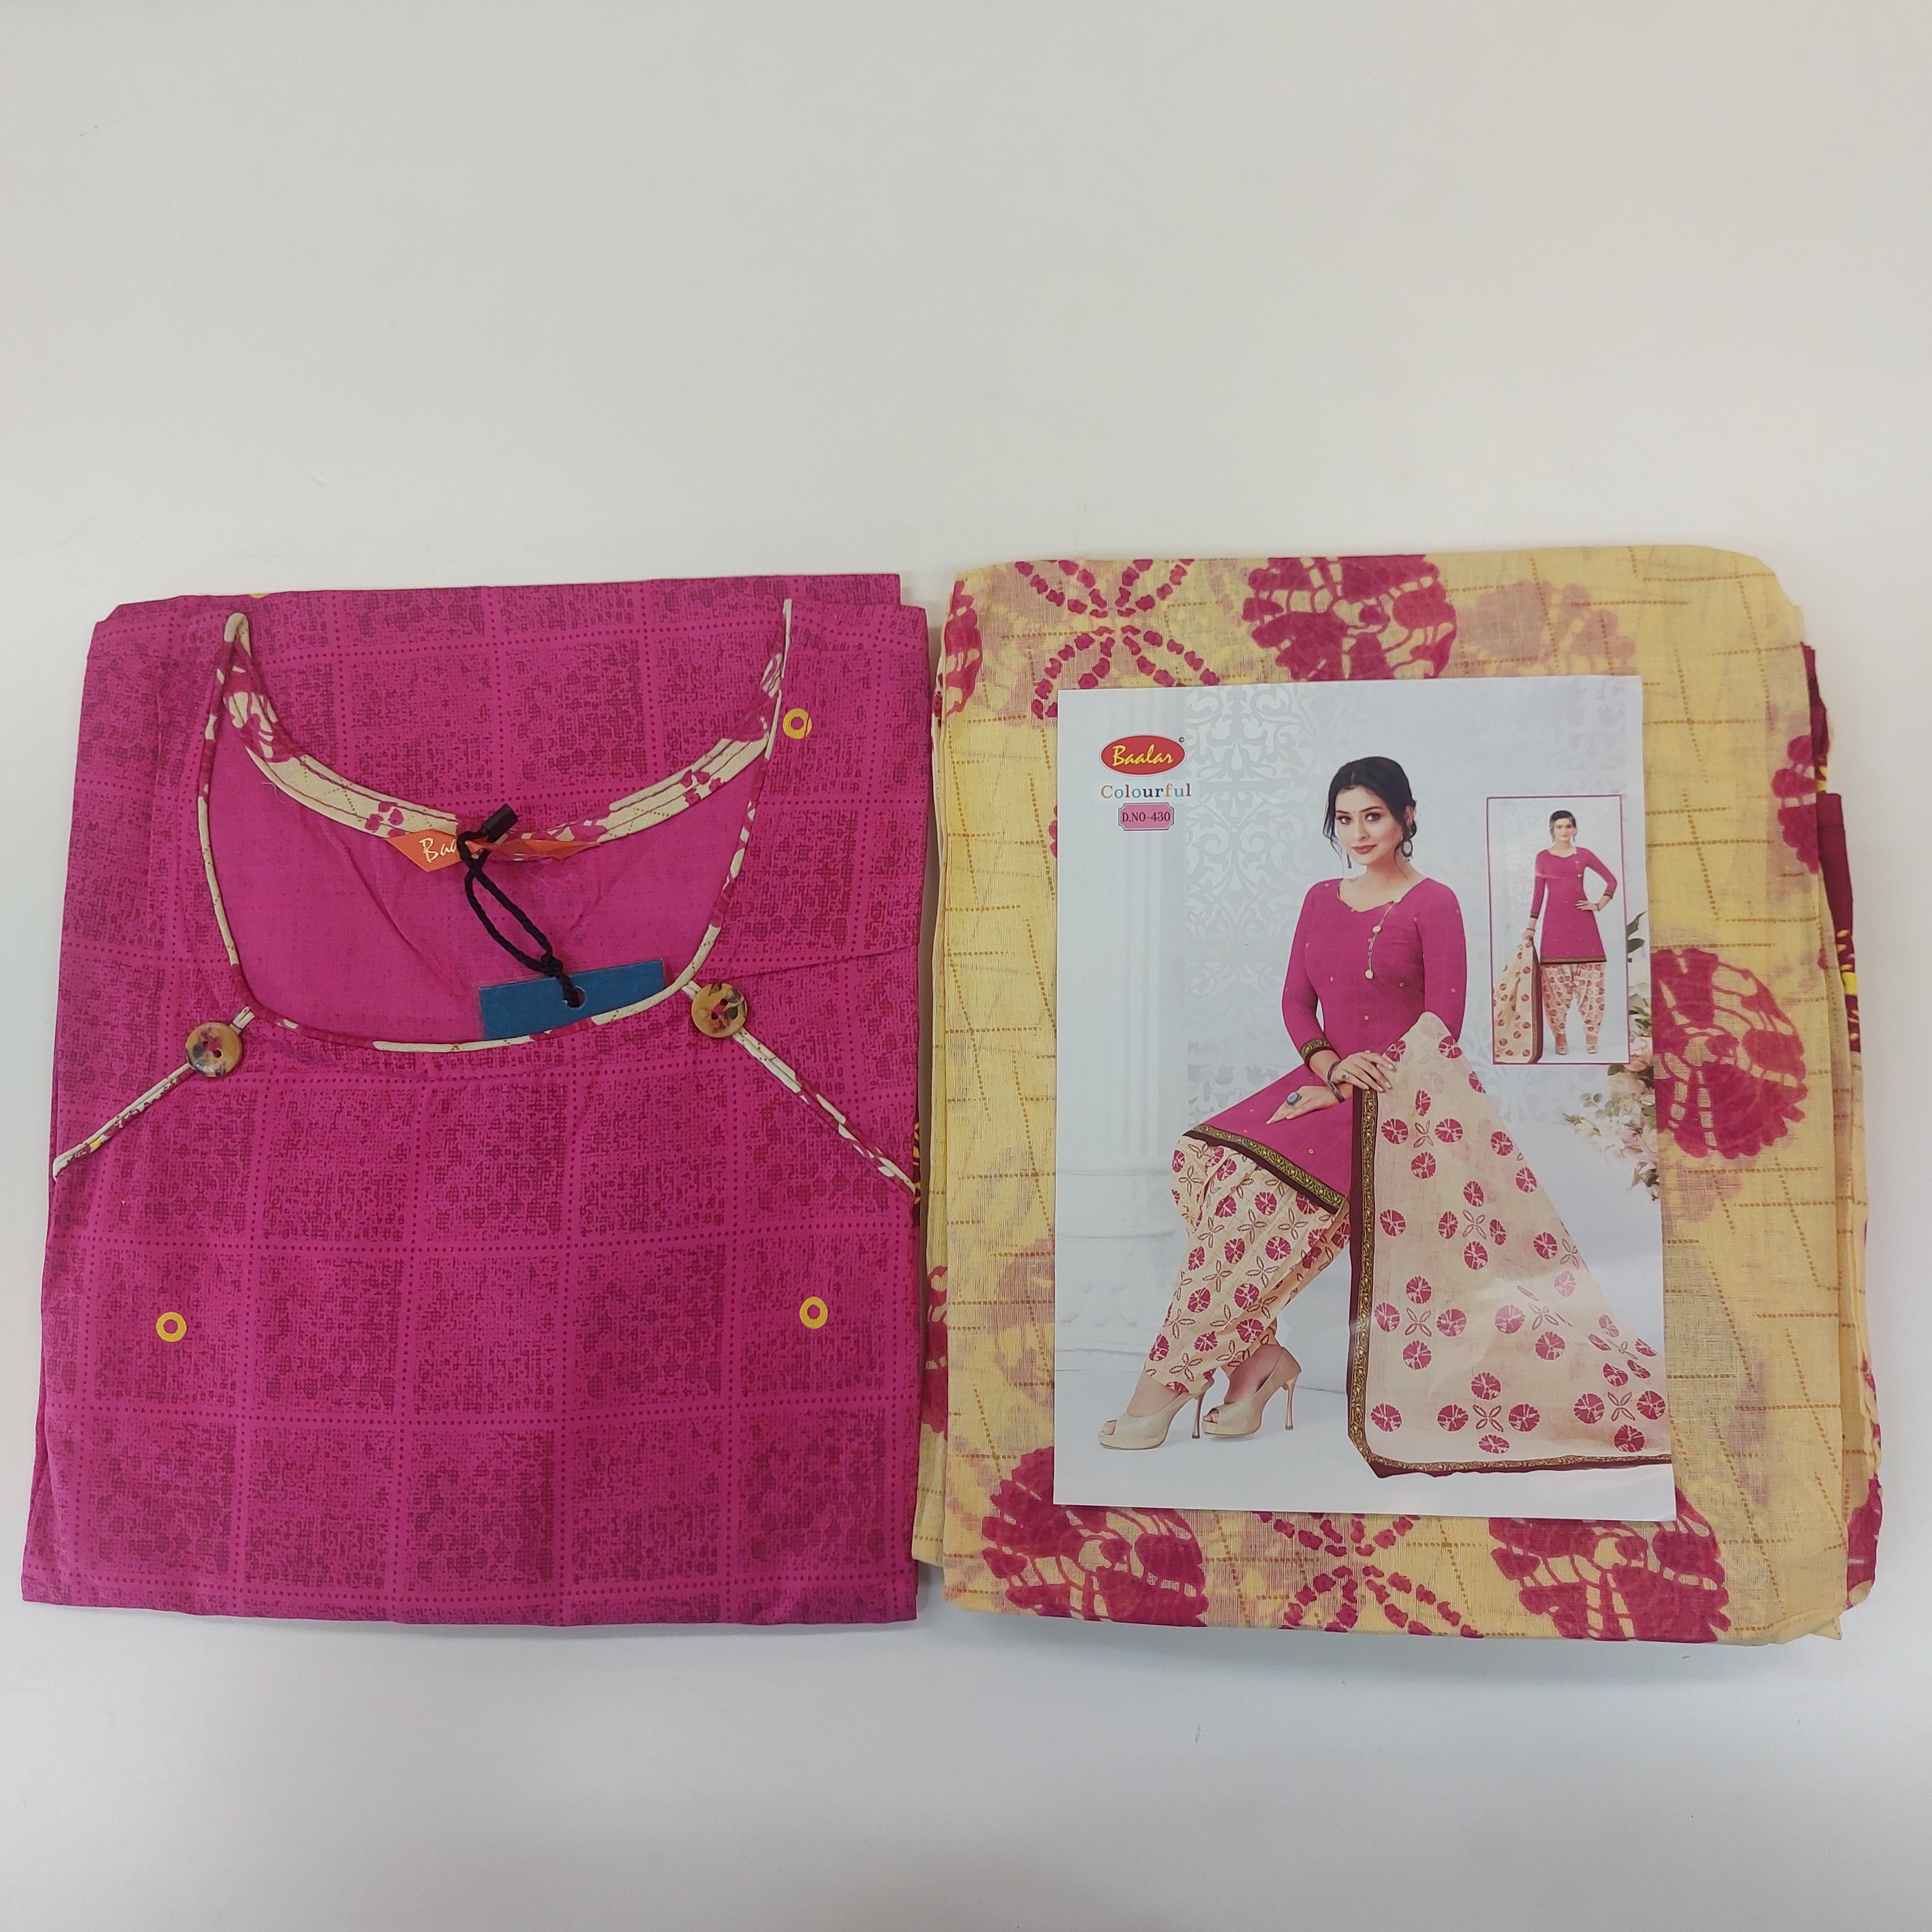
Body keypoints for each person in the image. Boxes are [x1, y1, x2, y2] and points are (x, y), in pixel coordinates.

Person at [1100, 756, 1466, 1448]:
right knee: (1200, 1159)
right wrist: (1329, 1070)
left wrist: (1356, 1081)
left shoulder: (1434, 902)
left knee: (1252, 1198)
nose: (1358, 832)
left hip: (1394, 1097)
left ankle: (1166, 1382)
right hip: (1326, 1078)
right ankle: (1258, 1362)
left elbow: (1442, 1024)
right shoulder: (1321, 898)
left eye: (1373, 816)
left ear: (1407, 816)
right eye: (1345, 819)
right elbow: (1296, 1001)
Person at [1526, 810, 1616, 1056]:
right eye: (1559, 827)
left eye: (1568, 826)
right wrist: (1531, 927)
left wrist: (1598, 905)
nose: (1564, 831)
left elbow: (1612, 881)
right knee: (1555, 989)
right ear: (1552, 830)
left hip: (1584, 929)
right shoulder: (1543, 858)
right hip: (1554, 930)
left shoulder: (1583, 855)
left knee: (1592, 986)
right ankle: (1560, 1035)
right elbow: (1538, 895)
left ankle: (1592, 1034)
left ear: (1575, 829)